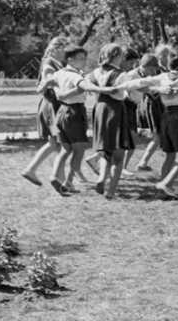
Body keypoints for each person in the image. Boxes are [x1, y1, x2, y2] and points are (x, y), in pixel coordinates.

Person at [121, 53, 178, 199]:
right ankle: (165, 183)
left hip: (165, 116)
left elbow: (135, 84)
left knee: (170, 154)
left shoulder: (161, 78)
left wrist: (156, 89)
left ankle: (163, 188)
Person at [46, 45, 121, 195]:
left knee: (66, 149)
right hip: (75, 112)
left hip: (61, 112)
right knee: (79, 150)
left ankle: (55, 176)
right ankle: (68, 182)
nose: (84, 61)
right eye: (80, 58)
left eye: (84, 58)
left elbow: (48, 83)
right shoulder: (75, 76)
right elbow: (85, 86)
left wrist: (60, 94)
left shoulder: (60, 72)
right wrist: (105, 90)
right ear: (70, 59)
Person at [86, 43, 133, 199]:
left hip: (99, 109)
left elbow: (87, 86)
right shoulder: (121, 74)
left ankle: (101, 179)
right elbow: (127, 94)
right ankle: (111, 191)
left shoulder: (94, 73)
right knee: (119, 155)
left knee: (106, 150)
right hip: (115, 110)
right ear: (118, 56)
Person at [20, 35, 67, 187]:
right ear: (57, 48)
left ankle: (59, 179)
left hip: (52, 107)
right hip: (50, 109)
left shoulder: (55, 62)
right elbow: (47, 81)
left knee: (57, 144)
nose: (66, 52)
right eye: (64, 48)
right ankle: (33, 171)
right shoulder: (49, 63)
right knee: (57, 143)